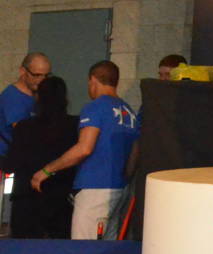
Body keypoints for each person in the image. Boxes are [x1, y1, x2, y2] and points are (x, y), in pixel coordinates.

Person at [30, 61, 140, 239]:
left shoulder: (95, 107)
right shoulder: (129, 112)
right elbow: (134, 154)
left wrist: (46, 170)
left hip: (94, 188)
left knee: (83, 247)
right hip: (120, 190)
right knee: (107, 248)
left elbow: (84, 148)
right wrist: (123, 179)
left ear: (93, 80)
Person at [7, 75, 77, 238]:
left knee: (24, 250)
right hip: (61, 199)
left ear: (38, 98)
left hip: (26, 200)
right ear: (65, 99)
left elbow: (11, 163)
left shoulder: (24, 127)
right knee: (60, 249)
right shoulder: (74, 125)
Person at [0, 52, 51, 166]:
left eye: (46, 76)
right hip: (6, 159)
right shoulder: (13, 97)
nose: (42, 80)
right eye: (36, 75)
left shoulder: (38, 95)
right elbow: (23, 133)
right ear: (23, 71)